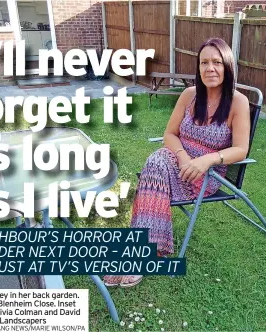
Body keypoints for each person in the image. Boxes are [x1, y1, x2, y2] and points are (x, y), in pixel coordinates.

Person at [103, 37, 250, 287]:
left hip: (206, 175)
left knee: (154, 169)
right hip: (177, 161)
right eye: (204, 62)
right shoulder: (189, 95)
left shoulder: (238, 102)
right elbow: (169, 135)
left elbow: (241, 149)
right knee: (158, 160)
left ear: (227, 66)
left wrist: (206, 160)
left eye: (216, 62)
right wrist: (182, 156)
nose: (210, 68)